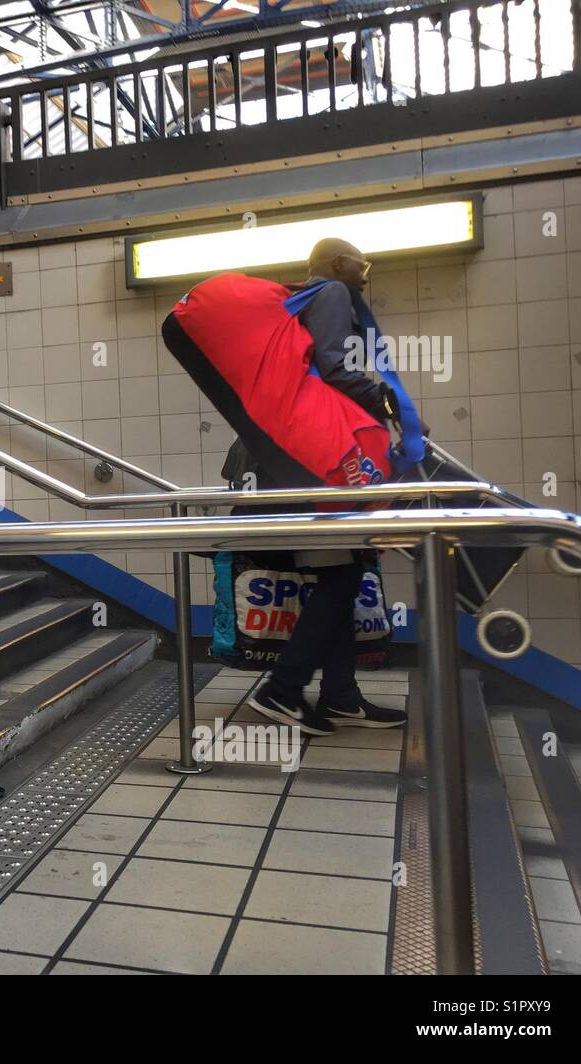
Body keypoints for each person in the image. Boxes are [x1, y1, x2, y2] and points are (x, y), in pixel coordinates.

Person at [241, 238, 425, 734]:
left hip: (302, 464)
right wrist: (392, 405)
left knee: (340, 581)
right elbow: (332, 367)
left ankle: (341, 696)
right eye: (360, 265)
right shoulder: (333, 294)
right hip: (318, 469)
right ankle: (281, 689)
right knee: (341, 580)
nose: (365, 275)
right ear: (340, 264)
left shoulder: (304, 300)